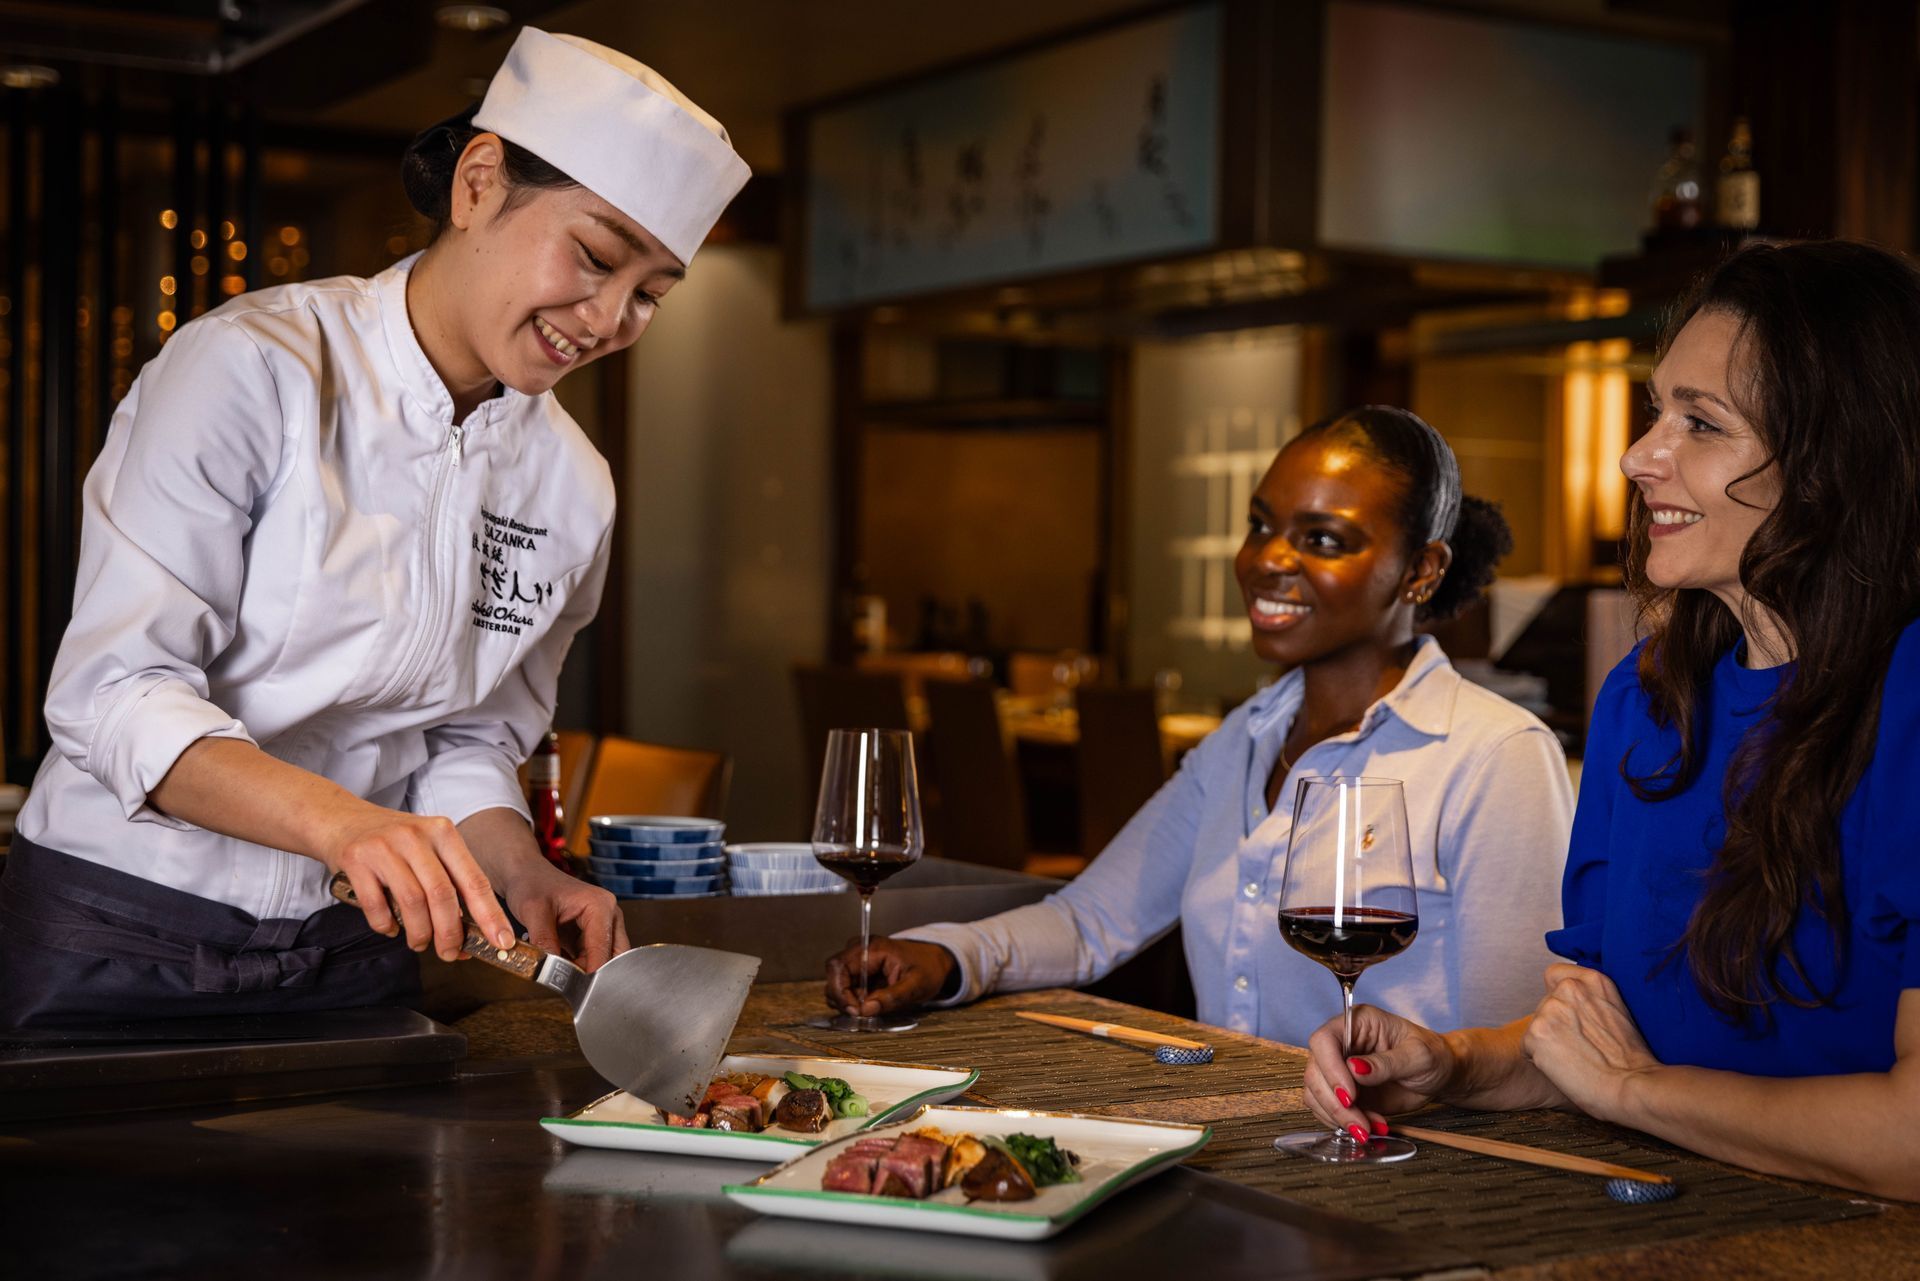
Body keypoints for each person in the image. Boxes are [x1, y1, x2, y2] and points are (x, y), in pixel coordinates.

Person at [0, 29, 750, 1028]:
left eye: (650, 292)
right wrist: (345, 824)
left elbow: (469, 736)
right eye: (597, 256)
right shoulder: (251, 370)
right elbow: (114, 695)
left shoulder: (574, 486)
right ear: (478, 183)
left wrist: (520, 870)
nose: (611, 317)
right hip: (123, 928)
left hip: (354, 953)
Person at [1302, 240, 1920, 1200]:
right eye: (1655, 412)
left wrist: (1638, 1091)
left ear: (1837, 460)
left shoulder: (1911, 697)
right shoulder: (1648, 695)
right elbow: (1587, 1045)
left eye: (1701, 423)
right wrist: (1453, 1063)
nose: (1639, 456)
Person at [824, 407, 1575, 1046]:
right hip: (1247, 1145)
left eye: (1322, 539)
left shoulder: (1493, 756)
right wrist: (945, 957)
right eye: (1261, 525)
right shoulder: (1243, 739)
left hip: (1412, 1173)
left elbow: (1515, 1040)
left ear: (1422, 570)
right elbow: (1091, 921)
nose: (1266, 559)